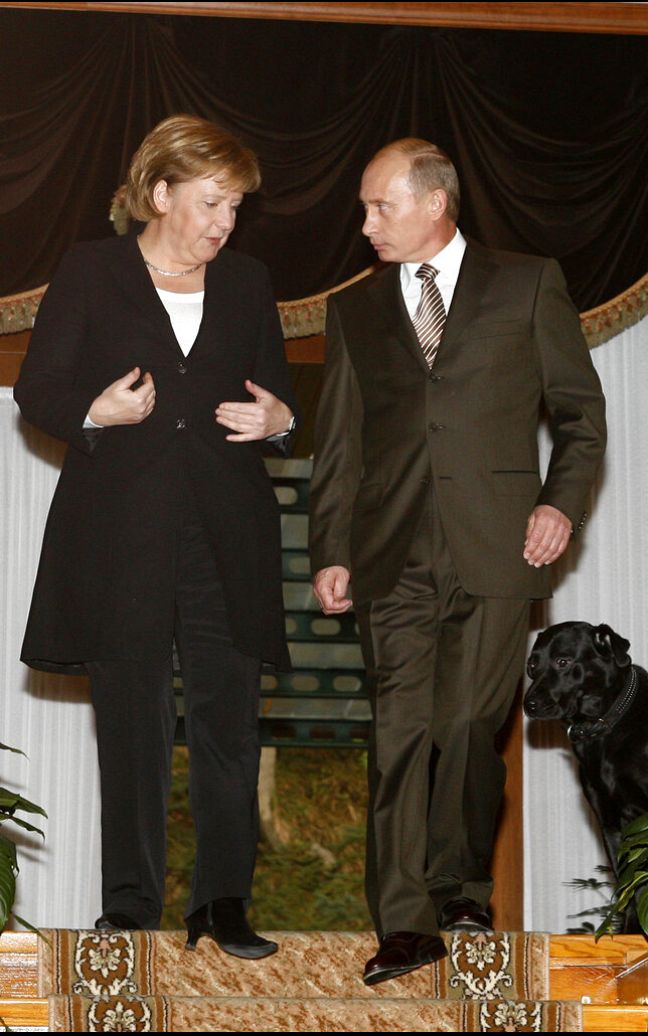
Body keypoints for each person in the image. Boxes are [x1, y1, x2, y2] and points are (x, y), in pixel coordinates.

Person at [309, 138, 607, 985]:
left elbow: (581, 415)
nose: (366, 224)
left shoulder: (527, 282)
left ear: (434, 203)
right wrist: (329, 548)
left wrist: (561, 502)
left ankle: (462, 887)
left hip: (500, 545)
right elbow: (339, 446)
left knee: (471, 732)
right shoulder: (354, 312)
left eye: (379, 207)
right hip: (390, 554)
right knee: (398, 735)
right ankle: (403, 924)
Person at [15, 115, 298, 958]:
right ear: (161, 192)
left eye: (236, 207)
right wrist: (96, 411)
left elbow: (278, 398)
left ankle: (223, 905)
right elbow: (40, 389)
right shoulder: (90, 270)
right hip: (120, 537)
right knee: (133, 726)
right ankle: (131, 908)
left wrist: (280, 419)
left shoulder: (247, 282)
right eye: (212, 202)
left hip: (227, 535)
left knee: (228, 726)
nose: (225, 222)